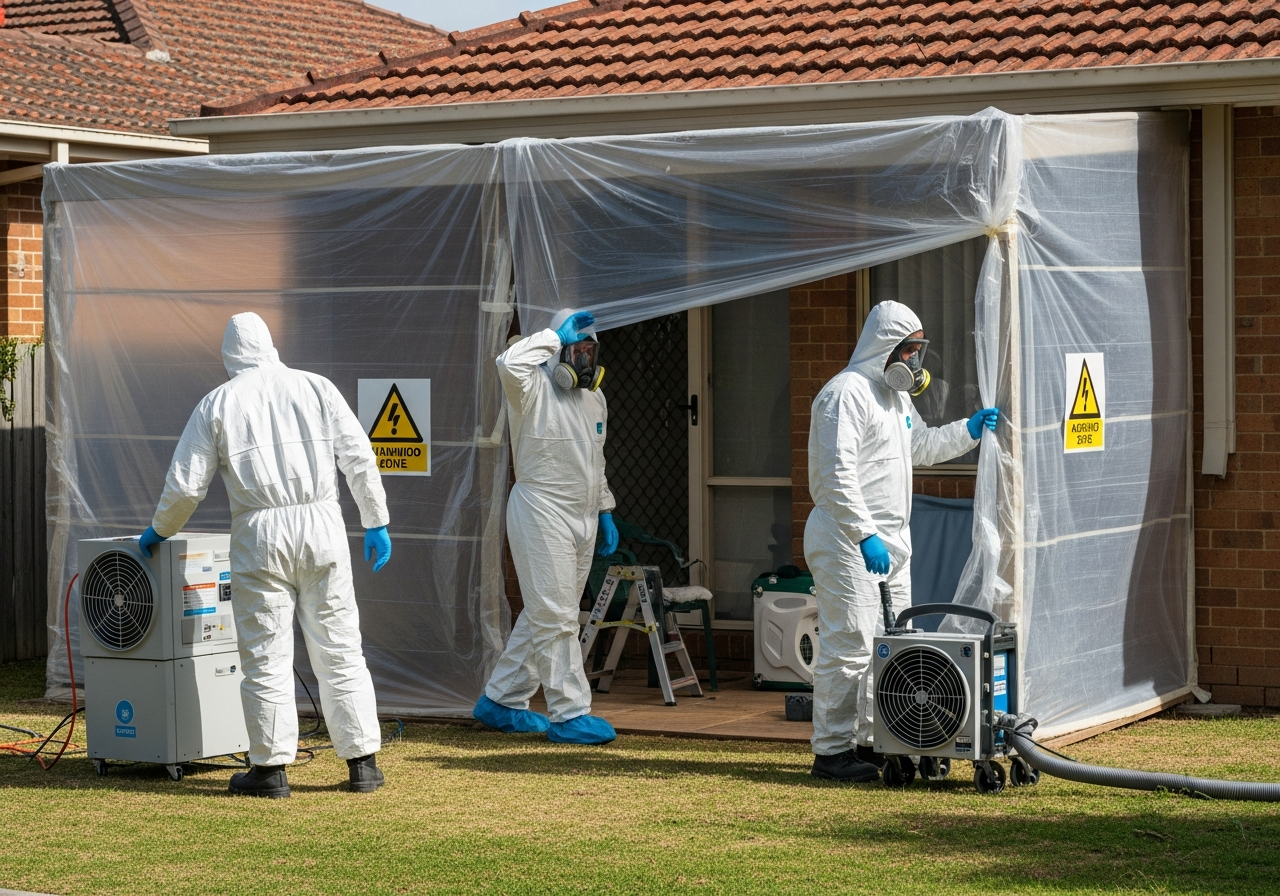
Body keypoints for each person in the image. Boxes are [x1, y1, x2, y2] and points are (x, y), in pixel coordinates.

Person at [137, 312, 392, 798]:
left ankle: (270, 770)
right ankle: (363, 764)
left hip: (260, 534)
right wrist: (375, 520)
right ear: (271, 346)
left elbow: (187, 485)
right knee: (340, 647)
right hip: (322, 526)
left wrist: (159, 530)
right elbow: (358, 456)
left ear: (229, 356)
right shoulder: (317, 387)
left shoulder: (218, 402)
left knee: (265, 654)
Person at [804, 300, 999, 782]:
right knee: (849, 645)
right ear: (885, 347)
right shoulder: (845, 394)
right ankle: (831, 752)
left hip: (889, 542)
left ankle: (871, 741)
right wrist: (865, 534)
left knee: (887, 646)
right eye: (908, 350)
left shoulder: (894, 399)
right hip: (847, 540)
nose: (915, 361)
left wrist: (968, 431)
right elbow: (834, 475)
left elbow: (920, 447)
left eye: (918, 351)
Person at [473, 308, 620, 745]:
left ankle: (502, 700)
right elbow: (508, 362)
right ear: (558, 352)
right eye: (577, 349)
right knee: (555, 616)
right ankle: (569, 712)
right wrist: (555, 336)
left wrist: (605, 509)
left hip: (584, 515)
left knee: (548, 612)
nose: (585, 359)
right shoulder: (530, 387)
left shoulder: (594, 398)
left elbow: (596, 459)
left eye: (590, 350)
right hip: (541, 510)